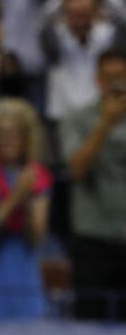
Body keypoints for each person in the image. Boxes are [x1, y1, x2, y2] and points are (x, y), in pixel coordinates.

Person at [0, 98, 53, 318]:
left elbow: (37, 237)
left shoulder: (38, 174)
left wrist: (28, 201)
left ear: (26, 138)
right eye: (0, 134)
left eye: (14, 134)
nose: (8, 140)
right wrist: (16, 197)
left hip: (24, 261)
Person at [60, 47, 126, 320]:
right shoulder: (77, 119)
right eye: (109, 77)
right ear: (98, 79)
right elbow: (76, 170)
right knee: (88, 323)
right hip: (92, 238)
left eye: (121, 76)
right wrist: (105, 124)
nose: (116, 84)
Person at [41, 0, 126, 122]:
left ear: (94, 14)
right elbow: (41, 23)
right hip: (62, 113)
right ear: (66, 15)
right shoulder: (56, 37)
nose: (80, 22)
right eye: (75, 16)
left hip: (97, 112)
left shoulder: (105, 36)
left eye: (85, 16)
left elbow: (123, 20)